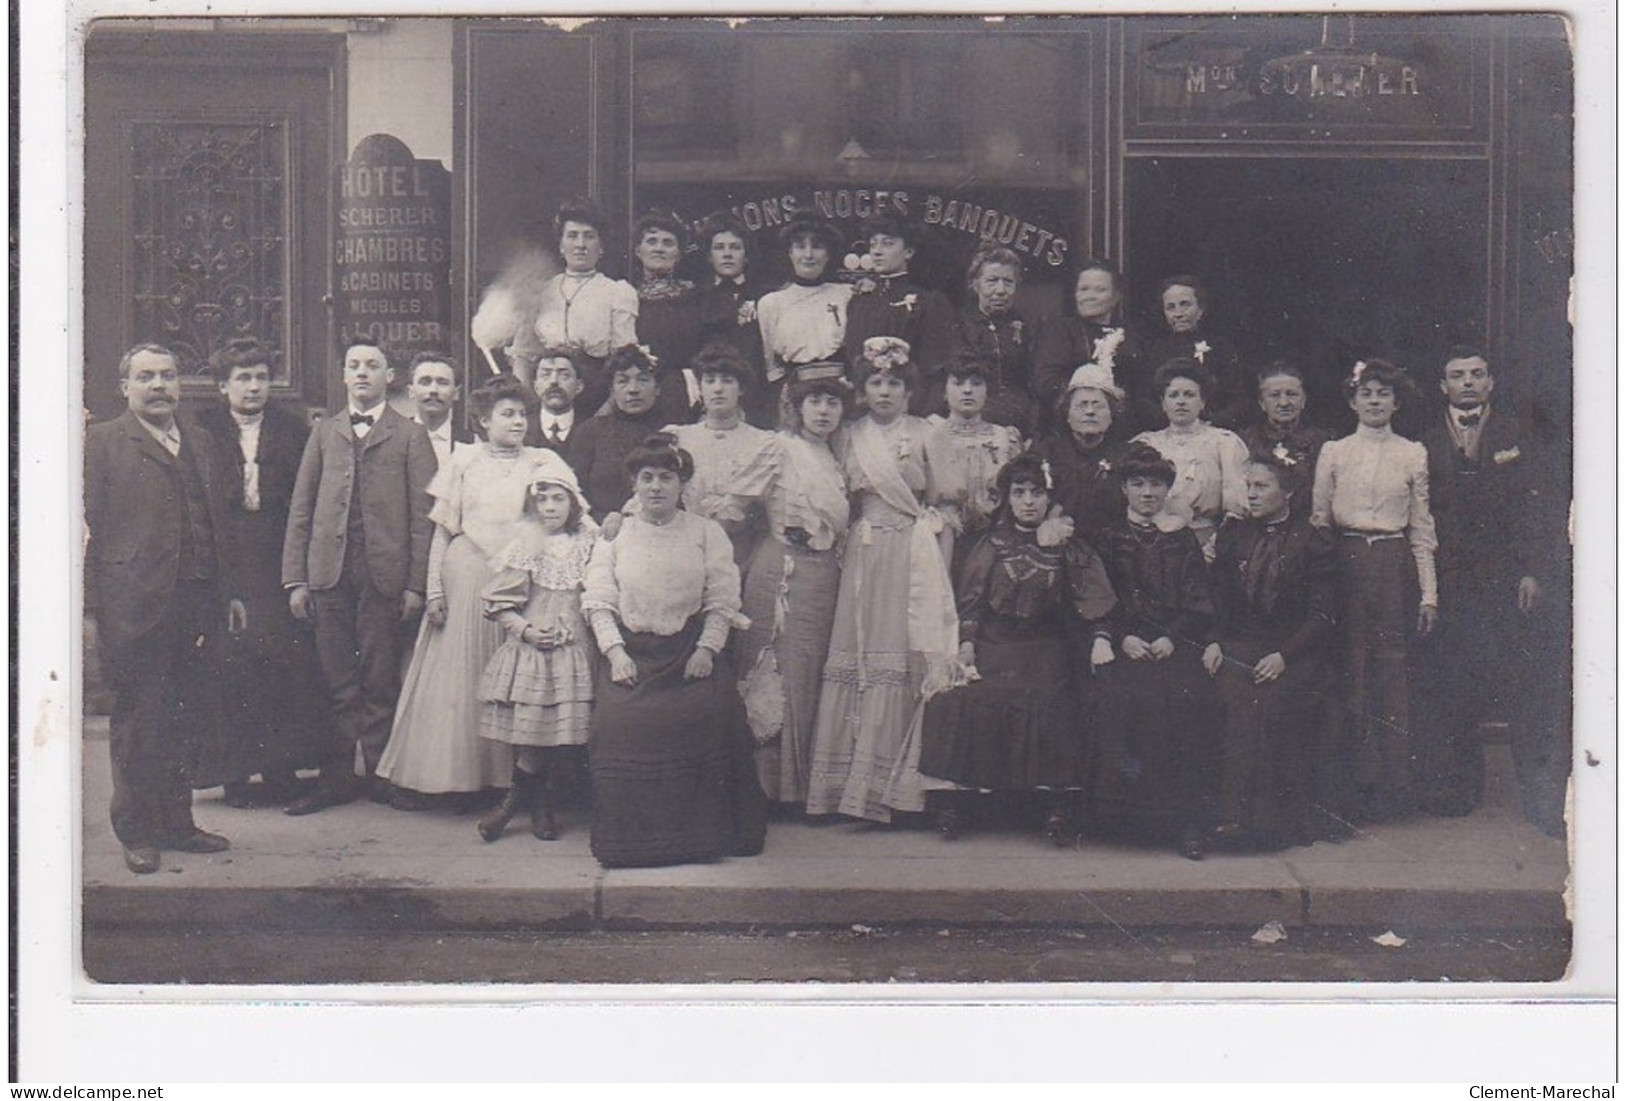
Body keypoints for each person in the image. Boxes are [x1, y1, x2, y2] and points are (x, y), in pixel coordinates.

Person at [378, 375, 571, 808]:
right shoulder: (464, 463)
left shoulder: (542, 462)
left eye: (523, 414)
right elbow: (443, 533)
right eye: (507, 414)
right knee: (461, 679)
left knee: (518, 678)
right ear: (484, 421)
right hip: (466, 577)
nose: (518, 421)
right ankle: (456, 781)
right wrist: (434, 592)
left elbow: (569, 518)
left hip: (521, 582)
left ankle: (512, 782)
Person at [86, 343, 243, 873]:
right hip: (133, 606)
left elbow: (219, 522)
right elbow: (86, 530)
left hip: (196, 605)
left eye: (168, 376)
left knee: (185, 715)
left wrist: (227, 594)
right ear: (124, 387)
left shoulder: (198, 440)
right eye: (147, 377)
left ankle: (178, 823)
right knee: (138, 721)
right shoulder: (103, 443)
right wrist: (91, 610)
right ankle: (137, 831)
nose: (159, 387)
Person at [581, 433, 767, 868]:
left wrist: (706, 650)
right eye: (647, 478)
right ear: (634, 484)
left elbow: (722, 597)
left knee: (709, 716)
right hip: (632, 654)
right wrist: (616, 653)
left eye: (667, 477)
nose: (656, 487)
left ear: (683, 484)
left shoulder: (706, 533)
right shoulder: (615, 535)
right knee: (619, 723)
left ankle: (702, 837)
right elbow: (598, 599)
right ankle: (634, 842)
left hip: (689, 652)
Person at [805, 336, 965, 824]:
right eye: (875, 382)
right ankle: (849, 789)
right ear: (863, 388)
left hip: (912, 551)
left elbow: (947, 505)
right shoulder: (848, 434)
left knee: (905, 652)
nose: (884, 392)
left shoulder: (927, 432)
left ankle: (901, 788)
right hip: (862, 551)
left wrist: (940, 560)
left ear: (909, 389)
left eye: (894, 382)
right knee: (859, 654)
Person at [920, 452, 1118, 844]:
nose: (1029, 501)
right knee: (967, 697)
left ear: (1050, 498)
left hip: (1046, 643)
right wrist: (967, 645)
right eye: (1020, 492)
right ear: (1008, 498)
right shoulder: (990, 544)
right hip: (995, 643)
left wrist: (1100, 638)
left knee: (1050, 700)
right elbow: (972, 603)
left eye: (1037, 493)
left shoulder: (1070, 546)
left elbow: (1094, 599)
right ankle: (956, 803)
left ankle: (1055, 806)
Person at [1415, 347, 1568, 834]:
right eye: (1457, 375)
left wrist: (1532, 570)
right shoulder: (1424, 444)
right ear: (1443, 386)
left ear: (1491, 384)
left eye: (1477, 375)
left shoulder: (1517, 437)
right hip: (1450, 580)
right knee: (1452, 683)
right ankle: (1457, 788)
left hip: (1506, 583)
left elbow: (1538, 510)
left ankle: (1540, 798)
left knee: (1522, 685)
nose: (1467, 384)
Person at [281, 339, 436, 815]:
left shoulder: (410, 435)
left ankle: (380, 772)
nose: (363, 373)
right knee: (336, 676)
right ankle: (337, 775)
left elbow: (423, 517)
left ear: (390, 377)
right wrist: (296, 578)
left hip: (383, 576)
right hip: (329, 572)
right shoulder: (325, 432)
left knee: (380, 674)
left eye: (373, 366)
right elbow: (302, 507)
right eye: (354, 366)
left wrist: (415, 583)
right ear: (343, 377)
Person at [192, 337, 324, 808]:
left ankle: (280, 770)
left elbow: (305, 504)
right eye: (243, 378)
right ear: (223, 385)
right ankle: (234, 774)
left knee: (284, 664)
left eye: (261, 377)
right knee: (232, 667)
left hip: (277, 558)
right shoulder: (201, 431)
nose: (253, 387)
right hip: (228, 560)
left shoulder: (292, 432)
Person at [1310, 358, 1438, 824]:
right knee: (1349, 668)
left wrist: (1429, 593)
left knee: (1390, 670)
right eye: (1366, 393)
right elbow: (1320, 518)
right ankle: (1350, 787)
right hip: (1345, 561)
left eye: (1383, 393)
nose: (1375, 401)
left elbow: (1422, 526)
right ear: (1352, 401)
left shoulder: (1412, 452)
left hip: (1391, 562)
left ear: (1396, 402)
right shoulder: (1335, 451)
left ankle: (1392, 788)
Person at [1088, 443, 1219, 860]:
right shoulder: (1108, 537)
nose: (1148, 493)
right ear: (1124, 488)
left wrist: (1173, 638)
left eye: (1157, 485)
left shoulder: (1181, 539)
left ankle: (1185, 824)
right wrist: (1120, 637)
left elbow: (1199, 599)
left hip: (1171, 643)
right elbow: (1096, 596)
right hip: (1125, 642)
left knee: (1183, 703)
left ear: (1167, 490)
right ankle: (1123, 823)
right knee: (1119, 698)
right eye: (1138, 484)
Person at [733, 362, 853, 810]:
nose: (823, 411)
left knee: (812, 669)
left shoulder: (836, 456)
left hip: (825, 576)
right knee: (774, 669)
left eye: (832, 402)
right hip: (779, 571)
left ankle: (803, 789)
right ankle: (766, 788)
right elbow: (734, 503)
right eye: (814, 401)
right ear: (797, 407)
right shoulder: (778, 448)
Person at [1203, 453, 1337, 852]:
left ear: (1289, 491)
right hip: (1241, 643)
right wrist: (1213, 639)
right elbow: (1217, 598)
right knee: (1233, 697)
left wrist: (1284, 655)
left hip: (1294, 649)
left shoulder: (1314, 543)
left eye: (1261, 486)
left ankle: (1268, 825)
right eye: (1249, 487)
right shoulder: (1235, 535)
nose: (1252, 495)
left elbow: (1323, 615)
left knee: (1271, 701)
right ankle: (1230, 819)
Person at [475, 462, 599, 842]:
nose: (549, 507)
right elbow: (498, 604)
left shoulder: (589, 544)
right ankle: (527, 804)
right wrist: (527, 631)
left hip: (576, 649)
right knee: (532, 732)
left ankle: (529, 803)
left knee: (560, 732)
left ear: (573, 503)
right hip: (535, 652)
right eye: (541, 499)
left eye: (558, 498)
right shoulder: (526, 546)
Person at [645, 341, 779, 571]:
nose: (718, 389)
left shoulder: (763, 443)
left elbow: (738, 507)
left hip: (743, 555)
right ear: (700, 388)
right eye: (710, 381)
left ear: (741, 389)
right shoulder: (677, 438)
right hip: (681, 549)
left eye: (727, 381)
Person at [509, 196, 638, 413]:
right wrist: (529, 409)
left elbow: (623, 366)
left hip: (597, 402)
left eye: (589, 237)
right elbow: (522, 356)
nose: (580, 245)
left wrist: (602, 416)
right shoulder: (540, 291)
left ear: (601, 246)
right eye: (572, 236)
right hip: (546, 401)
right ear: (561, 246)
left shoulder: (617, 292)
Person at [1131, 358, 1250, 562]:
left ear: (1202, 402)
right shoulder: (1146, 443)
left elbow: (1237, 509)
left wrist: (1210, 550)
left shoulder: (1224, 442)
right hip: (1151, 545)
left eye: (1189, 395)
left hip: (1207, 544)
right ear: (1163, 403)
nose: (1181, 402)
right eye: (1173, 395)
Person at [840, 212, 953, 413]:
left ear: (908, 251)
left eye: (887, 243)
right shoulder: (860, 301)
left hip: (910, 406)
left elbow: (932, 367)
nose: (877, 251)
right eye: (873, 244)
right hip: (862, 408)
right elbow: (852, 358)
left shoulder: (926, 302)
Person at [756, 213, 853, 422]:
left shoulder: (847, 294)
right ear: (790, 253)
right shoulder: (772, 303)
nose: (808, 255)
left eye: (817, 247)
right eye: (800, 247)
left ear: (827, 254)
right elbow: (771, 366)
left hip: (839, 395)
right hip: (796, 395)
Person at [926, 351, 1024, 548]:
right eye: (958, 383)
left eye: (977, 383)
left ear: (988, 391)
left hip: (994, 539)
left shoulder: (1004, 437)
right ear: (944, 391)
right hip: (938, 537)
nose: (968, 390)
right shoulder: (930, 432)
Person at [1128, 275, 1247, 433]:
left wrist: (1211, 423)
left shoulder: (1220, 348)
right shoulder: (1153, 350)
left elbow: (1236, 398)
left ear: (1200, 309)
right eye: (1171, 307)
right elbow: (1144, 399)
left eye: (1185, 305)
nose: (1178, 313)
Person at [565, 344, 669, 521]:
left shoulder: (671, 433)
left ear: (657, 388)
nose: (633, 389)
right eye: (623, 381)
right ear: (612, 390)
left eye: (643, 379)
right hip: (600, 532)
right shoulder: (590, 432)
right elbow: (574, 494)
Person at [1030, 362, 1133, 537]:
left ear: (1112, 415)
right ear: (1067, 414)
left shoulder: (1128, 455)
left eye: (1098, 405)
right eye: (1081, 405)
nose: (1090, 411)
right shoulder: (1045, 452)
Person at [1032, 260, 1134, 432]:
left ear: (1117, 296)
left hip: (1122, 425)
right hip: (1068, 426)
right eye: (1083, 289)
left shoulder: (1129, 334)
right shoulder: (1059, 330)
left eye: (1100, 290)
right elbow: (1047, 383)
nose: (1090, 296)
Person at [690, 212, 770, 427]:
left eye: (735, 247)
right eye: (719, 248)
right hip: (711, 393)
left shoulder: (765, 296)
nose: (727, 254)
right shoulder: (695, 298)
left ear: (746, 255)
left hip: (755, 396)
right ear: (709, 256)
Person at [946, 245, 1035, 434]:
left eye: (1008, 282)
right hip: (974, 422)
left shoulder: (1025, 326)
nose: (1001, 290)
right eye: (992, 281)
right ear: (975, 284)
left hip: (1020, 424)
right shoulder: (959, 324)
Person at [630, 208, 705, 425]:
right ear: (638, 250)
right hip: (635, 389)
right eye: (652, 241)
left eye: (668, 243)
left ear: (679, 253)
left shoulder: (695, 297)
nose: (659, 249)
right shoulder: (625, 297)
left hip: (679, 390)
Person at [1238, 359, 1331, 473]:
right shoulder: (1246, 441)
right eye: (1274, 395)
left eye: (1291, 394)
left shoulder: (1322, 442)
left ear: (1303, 400)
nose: (1284, 403)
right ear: (1262, 403)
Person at [406, 351, 475, 465]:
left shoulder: (472, 443)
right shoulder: (392, 441)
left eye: (443, 383)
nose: (433, 390)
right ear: (411, 391)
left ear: (456, 393)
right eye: (425, 382)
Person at [525, 346, 587, 457]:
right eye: (545, 375)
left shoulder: (591, 430)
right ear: (536, 387)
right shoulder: (521, 428)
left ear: (578, 386)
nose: (553, 381)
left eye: (564, 375)